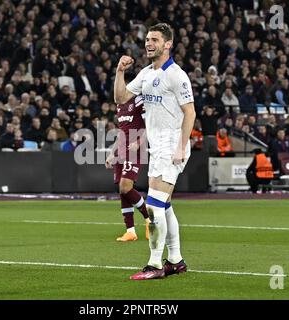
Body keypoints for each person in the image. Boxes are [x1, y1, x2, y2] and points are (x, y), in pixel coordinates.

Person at [114, 23, 196, 280]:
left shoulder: (177, 75)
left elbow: (190, 112)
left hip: (172, 146)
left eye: (155, 40)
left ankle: (154, 265)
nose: (149, 43)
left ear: (167, 44)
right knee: (164, 205)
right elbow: (121, 98)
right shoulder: (147, 73)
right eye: (147, 39)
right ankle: (175, 259)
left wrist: (181, 147)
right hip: (157, 146)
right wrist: (119, 72)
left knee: (154, 206)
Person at [105, 95, 150, 242]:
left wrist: (139, 142)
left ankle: (150, 219)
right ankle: (130, 231)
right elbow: (121, 132)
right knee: (122, 190)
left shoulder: (138, 100)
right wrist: (112, 152)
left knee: (125, 187)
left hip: (134, 150)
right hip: (122, 150)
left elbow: (149, 125)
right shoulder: (119, 106)